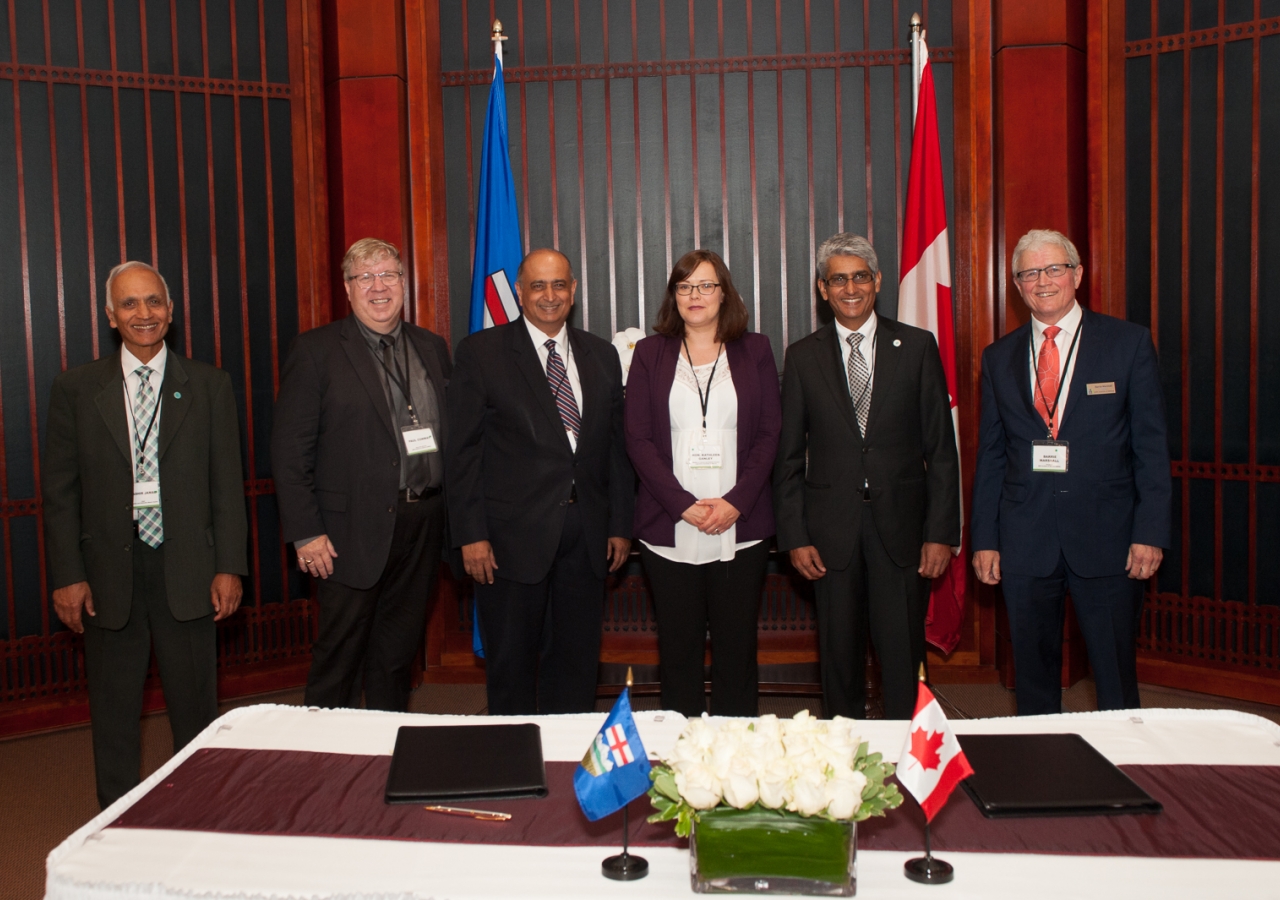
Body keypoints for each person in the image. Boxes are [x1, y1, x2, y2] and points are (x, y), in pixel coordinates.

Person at [41, 261, 248, 809]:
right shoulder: (75, 389)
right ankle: (116, 818)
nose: (144, 314)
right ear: (110, 316)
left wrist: (230, 565)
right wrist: (67, 576)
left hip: (190, 572)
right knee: (112, 714)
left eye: (153, 302)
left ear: (171, 311)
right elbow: (60, 494)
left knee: (197, 711)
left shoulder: (209, 385)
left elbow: (227, 484)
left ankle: (201, 811)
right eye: (129, 304)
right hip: (107, 575)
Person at [971, 228, 1170, 716]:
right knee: (1032, 677)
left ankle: (1123, 774)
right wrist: (985, 539)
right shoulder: (998, 358)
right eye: (1029, 273)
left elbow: (1151, 447)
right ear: (1017, 285)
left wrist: (1150, 532)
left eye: (1054, 268)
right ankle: (1040, 774)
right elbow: (992, 455)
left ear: (1077, 275)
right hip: (1024, 539)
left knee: (1114, 674)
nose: (1043, 281)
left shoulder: (1128, 344)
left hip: (1108, 538)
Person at [774, 233, 960, 720]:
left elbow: (941, 450)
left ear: (877, 281)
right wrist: (794, 535)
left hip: (903, 530)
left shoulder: (917, 347)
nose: (850, 288)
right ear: (822, 288)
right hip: (829, 534)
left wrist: (941, 533)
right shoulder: (802, 356)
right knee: (839, 657)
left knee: (903, 654)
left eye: (860, 276)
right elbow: (789, 458)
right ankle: (843, 761)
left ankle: (906, 758)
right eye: (839, 279)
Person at [445, 248, 633, 715]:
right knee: (511, 665)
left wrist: (620, 525)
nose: (550, 296)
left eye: (559, 285)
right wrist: (471, 535)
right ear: (519, 293)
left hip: (585, 538)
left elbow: (615, 449)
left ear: (573, 290)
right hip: (508, 542)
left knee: (575, 664)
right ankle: (510, 762)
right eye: (538, 286)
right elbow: (462, 453)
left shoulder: (601, 354)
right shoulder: (481, 353)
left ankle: (567, 758)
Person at [271, 238, 451, 712]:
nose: (378, 287)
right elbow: (290, 451)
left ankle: (387, 754)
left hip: (423, 523)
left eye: (388, 275)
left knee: (396, 656)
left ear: (403, 284)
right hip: (346, 533)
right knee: (339, 659)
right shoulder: (316, 352)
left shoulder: (432, 347)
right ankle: (325, 768)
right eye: (365, 277)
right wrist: (306, 532)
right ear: (348, 290)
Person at [624, 250, 780, 717]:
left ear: (724, 293)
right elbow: (638, 438)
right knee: (678, 650)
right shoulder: (651, 353)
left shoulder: (756, 349)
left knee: (737, 649)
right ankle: (679, 759)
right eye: (685, 287)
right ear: (673, 295)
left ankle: (738, 760)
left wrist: (735, 501)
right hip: (670, 526)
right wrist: (682, 505)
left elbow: (771, 432)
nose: (695, 296)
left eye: (706, 286)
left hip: (741, 524)